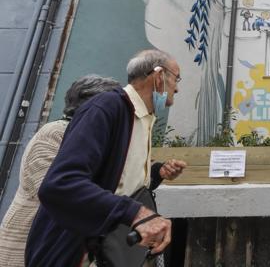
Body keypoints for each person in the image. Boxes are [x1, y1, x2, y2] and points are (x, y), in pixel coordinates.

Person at [25, 50, 187, 267]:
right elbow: (59, 185)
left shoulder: (142, 117)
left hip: (109, 252)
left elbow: (120, 180)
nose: (177, 88)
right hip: (75, 253)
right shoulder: (106, 108)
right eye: (175, 78)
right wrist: (136, 213)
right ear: (158, 76)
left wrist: (156, 172)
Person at [0, 76, 120, 267]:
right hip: (29, 243)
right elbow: (60, 193)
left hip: (63, 244)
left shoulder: (89, 137)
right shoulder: (53, 134)